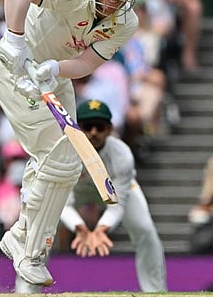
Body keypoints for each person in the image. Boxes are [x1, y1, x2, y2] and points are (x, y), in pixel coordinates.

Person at [0, 0, 143, 287]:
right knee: (61, 159)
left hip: (51, 79)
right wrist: (14, 41)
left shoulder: (127, 22)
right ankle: (30, 251)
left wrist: (55, 67)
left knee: (65, 167)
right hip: (12, 71)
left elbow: (86, 64)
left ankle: (22, 236)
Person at [59, 99, 167, 292]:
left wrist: (101, 229)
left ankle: (155, 292)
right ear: (77, 128)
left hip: (116, 192)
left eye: (99, 127)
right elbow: (62, 204)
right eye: (87, 126)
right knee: (40, 229)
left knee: (146, 230)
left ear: (109, 129)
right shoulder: (63, 153)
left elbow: (117, 204)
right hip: (76, 191)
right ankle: (27, 291)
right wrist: (80, 228)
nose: (93, 132)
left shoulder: (122, 155)